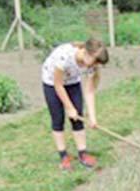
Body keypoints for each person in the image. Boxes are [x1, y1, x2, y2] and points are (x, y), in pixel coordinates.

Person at [41, 38, 109, 171]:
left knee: (78, 117)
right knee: (58, 119)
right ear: (86, 52)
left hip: (72, 82)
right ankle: (63, 156)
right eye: (95, 61)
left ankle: (83, 154)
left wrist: (93, 117)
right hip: (52, 82)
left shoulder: (91, 66)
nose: (95, 65)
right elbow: (58, 85)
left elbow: (89, 92)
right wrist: (69, 107)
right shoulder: (64, 57)